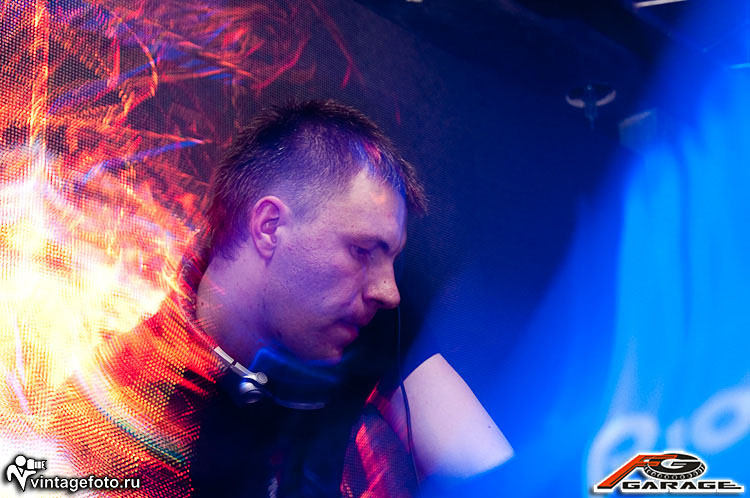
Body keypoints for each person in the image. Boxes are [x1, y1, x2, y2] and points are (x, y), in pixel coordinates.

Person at [52, 100, 511, 498]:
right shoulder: (121, 396)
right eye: (362, 251)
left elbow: (497, 482)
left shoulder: (373, 325)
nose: (387, 291)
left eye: (391, 259)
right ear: (269, 227)